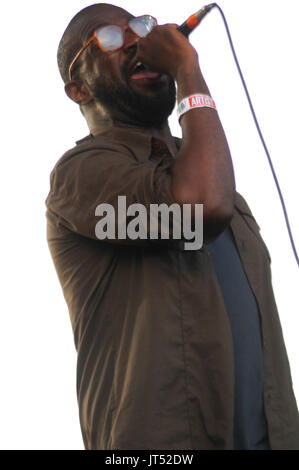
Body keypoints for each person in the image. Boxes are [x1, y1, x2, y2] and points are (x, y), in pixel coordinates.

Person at [45, 3, 299, 450]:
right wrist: (186, 68)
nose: (136, 42)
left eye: (140, 27)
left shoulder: (218, 183)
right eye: (107, 37)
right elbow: (199, 207)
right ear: (78, 89)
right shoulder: (80, 176)